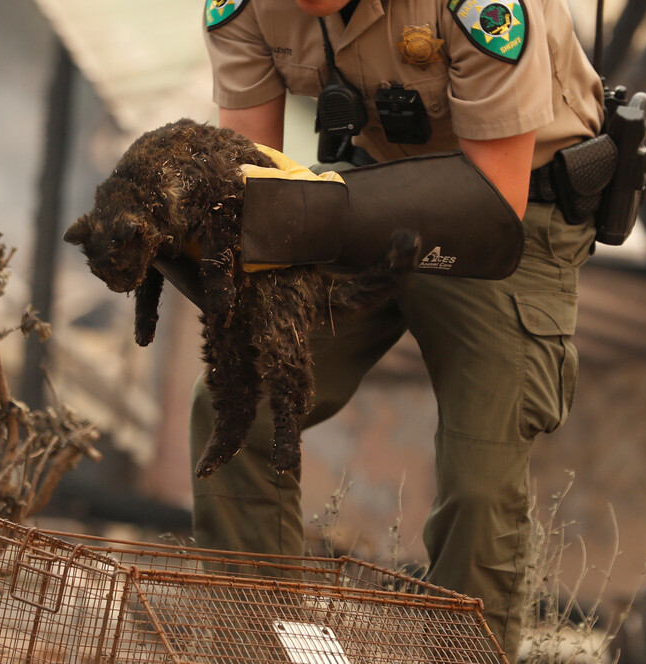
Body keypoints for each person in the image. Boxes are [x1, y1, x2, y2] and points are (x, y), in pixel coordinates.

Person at [193, 0, 604, 659]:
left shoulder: (482, 8)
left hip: (513, 222)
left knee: (478, 482)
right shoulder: (243, 7)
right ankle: (256, 649)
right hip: (367, 195)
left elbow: (490, 200)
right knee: (236, 396)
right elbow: (252, 177)